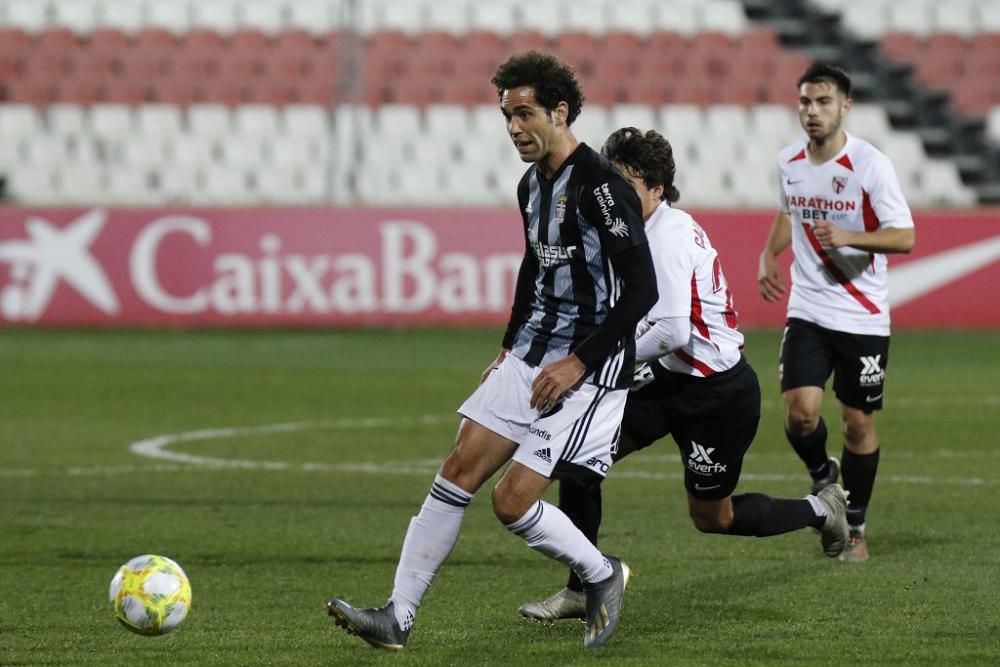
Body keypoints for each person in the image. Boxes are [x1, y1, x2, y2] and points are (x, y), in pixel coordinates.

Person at [326, 51, 658, 650]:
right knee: (456, 471)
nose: (513, 128)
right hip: (533, 354)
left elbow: (642, 291)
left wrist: (579, 360)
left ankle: (600, 573)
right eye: (506, 115)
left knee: (511, 503)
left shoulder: (603, 187)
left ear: (560, 112)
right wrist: (509, 350)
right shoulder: (531, 185)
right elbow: (533, 269)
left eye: (524, 113)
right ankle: (397, 617)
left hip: (591, 368)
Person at [519, 127, 851, 622]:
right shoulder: (629, 228)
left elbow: (672, 331)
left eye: (627, 183)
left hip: (715, 392)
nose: (614, 193)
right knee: (579, 464)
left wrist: (596, 360)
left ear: (657, 189)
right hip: (664, 379)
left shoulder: (668, 236)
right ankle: (582, 587)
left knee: (711, 517)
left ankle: (821, 509)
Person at [757, 63, 915, 563]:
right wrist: (768, 254)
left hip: (863, 314)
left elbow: (905, 236)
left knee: (856, 425)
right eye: (805, 101)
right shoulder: (789, 161)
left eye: (823, 102)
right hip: (808, 307)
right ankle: (825, 478)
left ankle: (855, 526)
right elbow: (790, 210)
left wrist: (848, 236)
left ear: (845, 106)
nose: (812, 111)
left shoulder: (870, 165)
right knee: (800, 415)